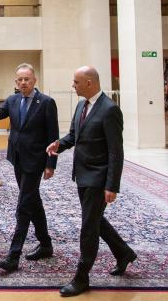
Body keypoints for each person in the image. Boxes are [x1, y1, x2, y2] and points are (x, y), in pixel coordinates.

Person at [46, 66, 136, 297]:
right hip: (82, 175)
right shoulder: (81, 105)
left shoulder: (110, 110)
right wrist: (59, 145)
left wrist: (112, 185)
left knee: (88, 227)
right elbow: (75, 136)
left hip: (98, 178)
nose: (72, 86)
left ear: (89, 83)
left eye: (75, 82)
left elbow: (116, 151)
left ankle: (81, 278)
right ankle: (124, 252)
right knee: (95, 219)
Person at [0, 63, 59, 273]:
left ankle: (13, 255)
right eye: (20, 80)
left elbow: (53, 136)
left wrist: (50, 164)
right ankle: (45, 245)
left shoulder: (46, 102)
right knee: (32, 200)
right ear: (16, 82)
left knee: (24, 205)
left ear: (34, 80)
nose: (23, 83)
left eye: (27, 79)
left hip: (36, 161)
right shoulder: (13, 99)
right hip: (17, 158)